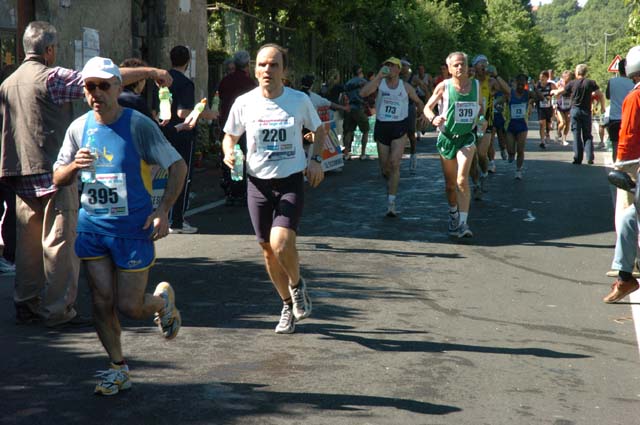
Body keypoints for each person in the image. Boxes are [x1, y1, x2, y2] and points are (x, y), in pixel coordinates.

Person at [0, 21, 173, 327]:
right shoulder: (51, 77)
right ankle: (58, 310)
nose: (94, 91)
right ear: (50, 50)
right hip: (54, 171)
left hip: (19, 173)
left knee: (27, 246)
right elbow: (100, 79)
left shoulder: (8, 82)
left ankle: (26, 303)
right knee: (60, 245)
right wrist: (150, 72)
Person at [52, 56, 186, 395]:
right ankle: (117, 367)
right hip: (93, 228)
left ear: (117, 87)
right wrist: (73, 169)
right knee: (100, 300)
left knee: (130, 306)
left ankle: (160, 303)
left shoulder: (138, 125)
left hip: (132, 230)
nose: (96, 93)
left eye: (103, 86)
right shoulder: (79, 128)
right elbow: (57, 176)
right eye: (89, 87)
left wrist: (164, 210)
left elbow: (178, 166)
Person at [222, 43, 325, 334]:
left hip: (290, 180)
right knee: (268, 251)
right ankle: (285, 305)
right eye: (262, 64)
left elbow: (317, 130)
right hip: (257, 183)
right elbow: (230, 136)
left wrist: (315, 159)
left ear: (284, 70)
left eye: (274, 65)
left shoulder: (298, 100)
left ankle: (296, 285)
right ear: (255, 69)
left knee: (281, 242)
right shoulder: (245, 102)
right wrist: (228, 152)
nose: (267, 70)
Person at [424, 52, 486, 238]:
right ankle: (453, 215)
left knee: (461, 179)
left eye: (463, 64)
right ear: (449, 68)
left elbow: (480, 108)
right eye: (456, 65)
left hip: (467, 137)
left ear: (468, 67)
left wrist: (482, 119)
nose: (460, 68)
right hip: (447, 138)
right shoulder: (444, 86)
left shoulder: (476, 86)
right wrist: (434, 118)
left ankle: (463, 224)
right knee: (450, 185)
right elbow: (427, 107)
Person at [161, 45, 218, 234]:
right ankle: (177, 220)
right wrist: (205, 114)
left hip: (163, 131)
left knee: (164, 175)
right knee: (182, 176)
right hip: (182, 134)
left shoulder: (161, 80)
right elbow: (183, 112)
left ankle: (163, 215)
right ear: (188, 62)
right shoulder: (185, 83)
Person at [360, 57, 425, 217]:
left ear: (398, 69)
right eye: (386, 65)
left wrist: (422, 114)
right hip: (382, 126)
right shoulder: (379, 83)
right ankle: (391, 184)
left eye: (391, 66)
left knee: (395, 163)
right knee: (385, 168)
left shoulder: (406, 87)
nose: (388, 68)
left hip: (399, 126)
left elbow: (418, 101)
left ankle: (391, 202)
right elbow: (363, 93)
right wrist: (377, 77)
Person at [218, 50, 257, 206]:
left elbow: (220, 99)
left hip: (227, 123)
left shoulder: (225, 81)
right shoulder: (251, 83)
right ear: (248, 65)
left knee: (229, 155)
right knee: (244, 156)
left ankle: (230, 188)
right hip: (246, 126)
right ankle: (241, 189)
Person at [469, 55, 510, 199]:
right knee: (471, 158)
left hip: (485, 121)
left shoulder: (491, 81)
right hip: (469, 123)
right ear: (474, 66)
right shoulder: (470, 81)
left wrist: (497, 76)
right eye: (480, 64)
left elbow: (507, 92)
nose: (483, 66)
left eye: (485, 64)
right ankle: (476, 184)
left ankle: (484, 174)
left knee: (481, 154)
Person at [551, 63, 605, 165]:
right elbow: (600, 94)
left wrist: (554, 91)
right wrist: (602, 107)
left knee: (576, 134)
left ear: (577, 72)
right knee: (587, 135)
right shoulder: (591, 83)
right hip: (586, 111)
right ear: (585, 72)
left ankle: (577, 158)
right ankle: (589, 157)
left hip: (575, 110)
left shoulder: (572, 83)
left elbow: (561, 91)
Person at [606, 58, 634, 162]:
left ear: (618, 70)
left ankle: (616, 167)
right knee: (628, 147)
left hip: (614, 118)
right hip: (628, 119)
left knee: (615, 146)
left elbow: (608, 96)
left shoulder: (612, 81)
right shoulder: (633, 82)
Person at [505, 74, 531, 179]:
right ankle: (511, 154)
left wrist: (533, 88)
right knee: (511, 150)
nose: (520, 85)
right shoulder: (510, 94)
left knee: (520, 150)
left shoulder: (528, 94)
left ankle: (518, 170)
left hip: (522, 126)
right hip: (510, 125)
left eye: (523, 83)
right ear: (515, 82)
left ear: (525, 84)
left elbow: (541, 97)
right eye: (519, 83)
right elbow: (501, 100)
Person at [342, 65, 370, 160]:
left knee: (349, 131)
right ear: (359, 71)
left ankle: (346, 153)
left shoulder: (348, 82)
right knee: (365, 130)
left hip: (350, 108)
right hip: (359, 107)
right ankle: (362, 153)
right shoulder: (363, 82)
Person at [535, 70, 557, 149]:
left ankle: (547, 133)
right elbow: (533, 94)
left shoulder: (550, 85)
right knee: (541, 123)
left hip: (548, 107)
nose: (541, 79)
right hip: (540, 107)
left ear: (547, 78)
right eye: (540, 78)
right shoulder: (537, 85)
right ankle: (542, 141)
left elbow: (556, 93)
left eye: (543, 78)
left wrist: (551, 97)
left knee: (548, 123)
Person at [555, 70, 573, 146]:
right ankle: (558, 132)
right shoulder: (559, 83)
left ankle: (564, 139)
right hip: (560, 105)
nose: (567, 78)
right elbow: (555, 93)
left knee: (568, 123)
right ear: (563, 77)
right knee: (563, 122)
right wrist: (554, 103)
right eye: (566, 76)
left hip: (568, 106)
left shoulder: (572, 84)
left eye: (569, 76)